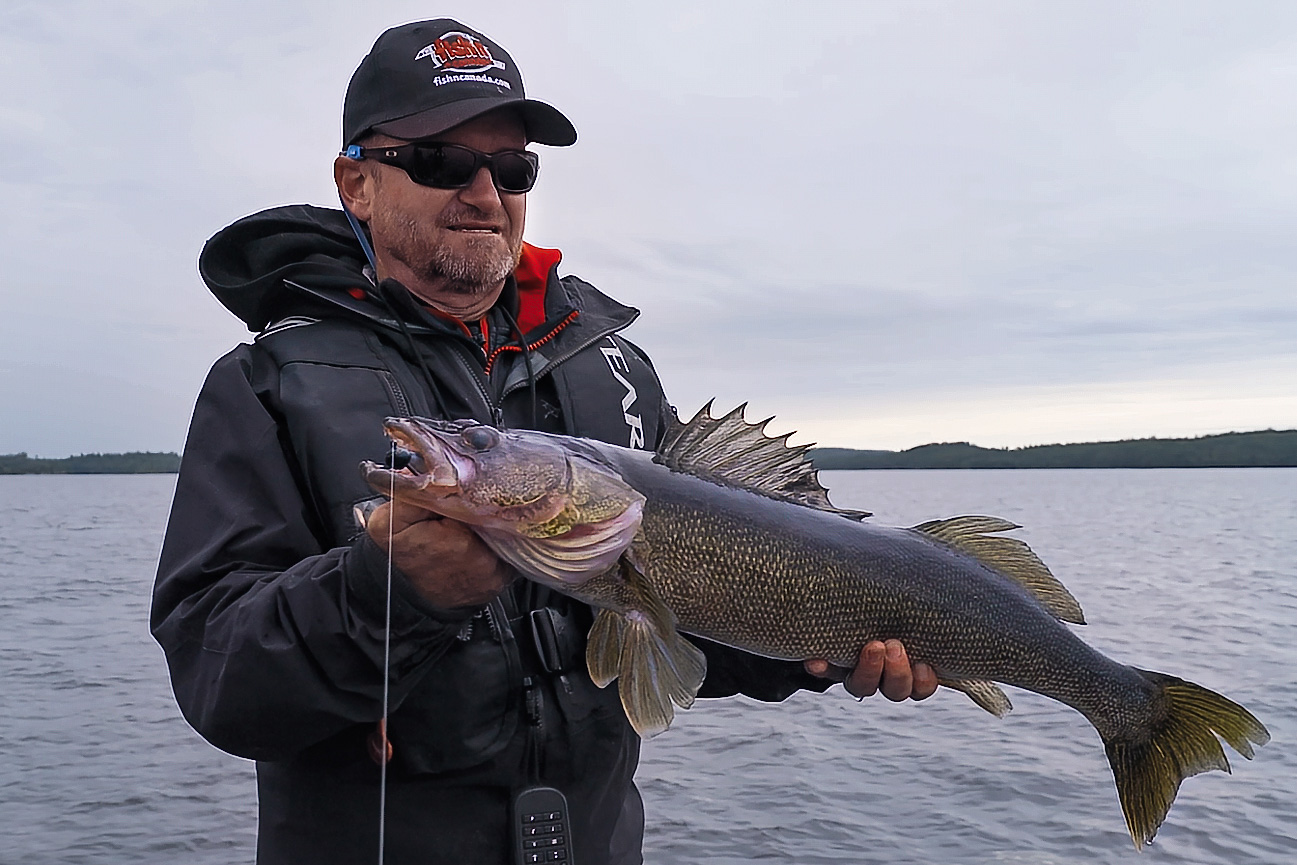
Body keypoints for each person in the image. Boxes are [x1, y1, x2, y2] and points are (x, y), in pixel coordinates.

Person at [151, 18, 937, 865]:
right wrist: (386, 594)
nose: (484, 192)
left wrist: (818, 651)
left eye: (512, 167)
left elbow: (681, 624)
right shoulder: (266, 383)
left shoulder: (615, 370)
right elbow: (219, 679)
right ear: (357, 184)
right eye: (440, 162)